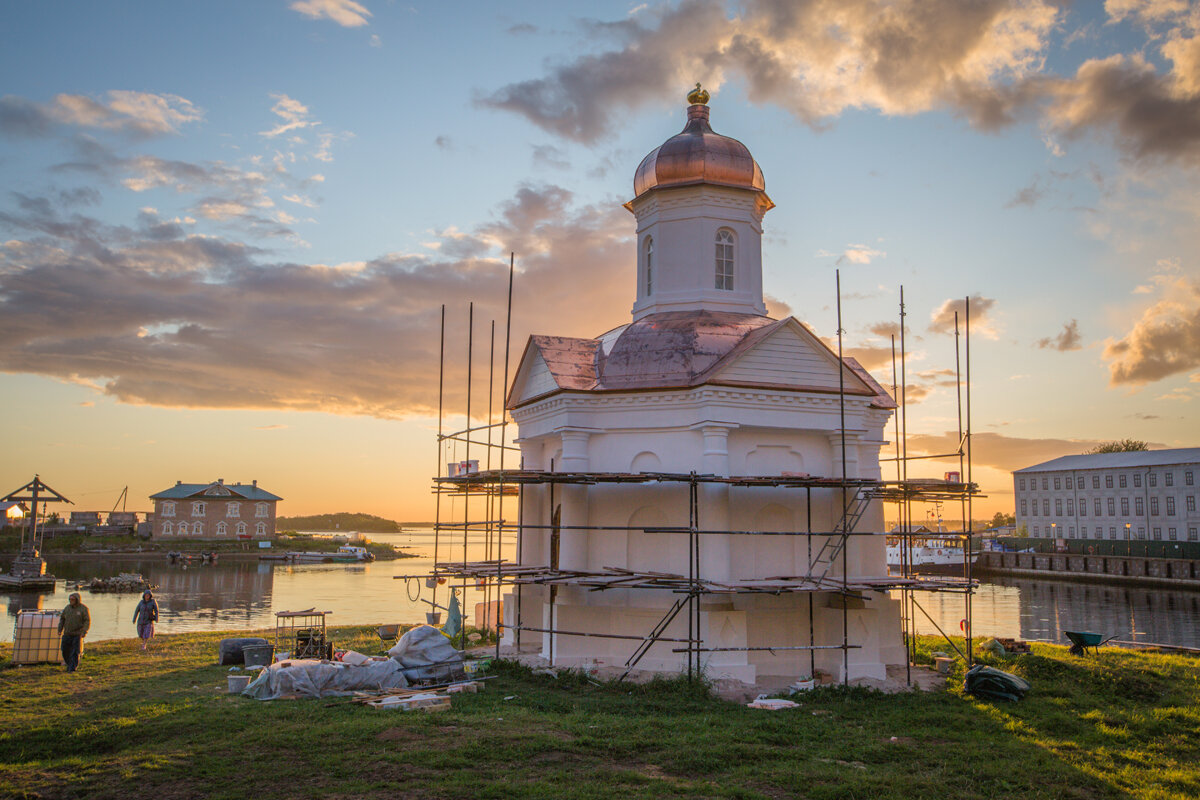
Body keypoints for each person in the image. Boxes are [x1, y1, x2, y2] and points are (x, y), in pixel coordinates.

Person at [57, 592, 90, 672]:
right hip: (67, 633)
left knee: (75, 652)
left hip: (77, 634)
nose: (71, 601)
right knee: (64, 650)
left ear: (77, 600)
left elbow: (87, 621)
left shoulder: (83, 609)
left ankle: (72, 668)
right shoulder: (67, 608)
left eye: (72, 599)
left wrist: (84, 632)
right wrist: (59, 629)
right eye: (70, 599)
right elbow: (62, 619)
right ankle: (69, 664)